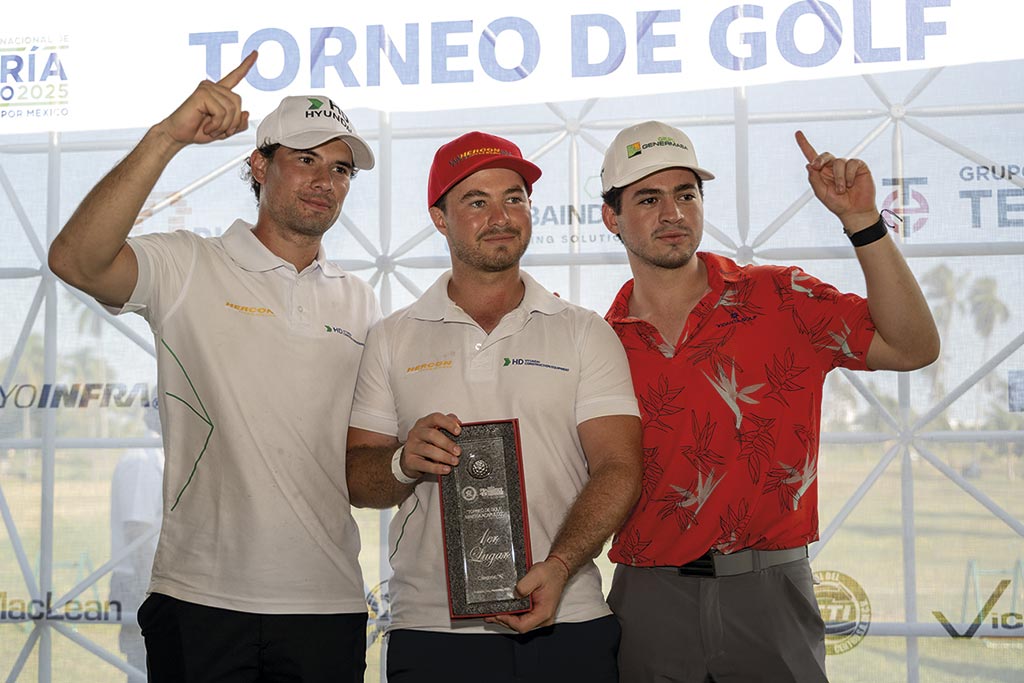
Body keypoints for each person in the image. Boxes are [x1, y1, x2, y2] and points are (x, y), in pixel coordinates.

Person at [48, 52, 379, 682]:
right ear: (258, 165)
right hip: (200, 598)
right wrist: (167, 137)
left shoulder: (359, 299)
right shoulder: (187, 264)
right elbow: (75, 260)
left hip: (325, 601)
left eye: (340, 168)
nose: (325, 180)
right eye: (305, 159)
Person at [598, 121, 940, 682]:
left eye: (686, 194)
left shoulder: (782, 295)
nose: (673, 213)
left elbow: (913, 346)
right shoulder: (600, 341)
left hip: (772, 592)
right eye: (648, 199)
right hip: (649, 597)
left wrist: (862, 221)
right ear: (612, 217)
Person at [345, 131, 644, 683]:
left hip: (569, 617)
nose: (501, 217)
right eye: (477, 201)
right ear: (440, 219)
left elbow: (619, 466)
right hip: (433, 629)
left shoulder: (583, 331)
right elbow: (360, 481)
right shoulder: (392, 337)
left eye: (514, 198)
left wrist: (560, 566)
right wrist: (403, 462)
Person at [109, 406, 164, 680]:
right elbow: (137, 532)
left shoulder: (157, 456)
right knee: (143, 666)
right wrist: (152, 592)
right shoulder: (142, 460)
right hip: (138, 581)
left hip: (149, 581)